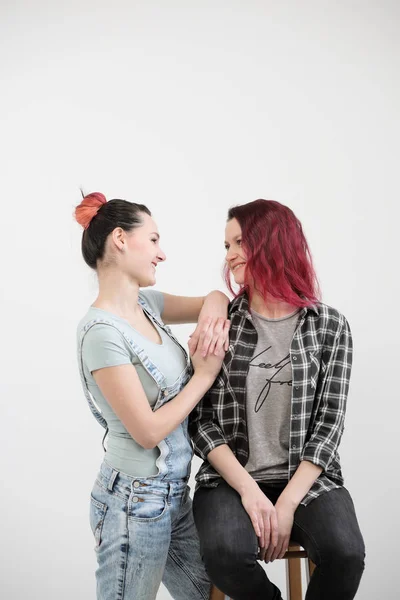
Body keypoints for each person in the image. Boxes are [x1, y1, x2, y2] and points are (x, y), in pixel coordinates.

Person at [189, 199, 365, 600]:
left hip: (308, 478)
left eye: (239, 242)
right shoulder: (220, 325)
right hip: (230, 480)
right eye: (226, 245)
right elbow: (201, 421)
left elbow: (329, 423)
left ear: (271, 242)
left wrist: (285, 504)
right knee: (224, 553)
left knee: (346, 553)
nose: (230, 254)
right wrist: (250, 491)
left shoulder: (330, 326)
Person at [75, 192, 230, 600]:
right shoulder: (101, 333)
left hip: (176, 495)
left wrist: (214, 314)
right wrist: (204, 373)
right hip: (132, 503)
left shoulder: (148, 305)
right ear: (121, 239)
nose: (162, 254)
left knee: (217, 593)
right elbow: (147, 432)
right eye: (155, 240)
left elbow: (214, 299)